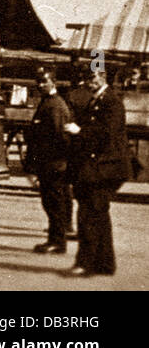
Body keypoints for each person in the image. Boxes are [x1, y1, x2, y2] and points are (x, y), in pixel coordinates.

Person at [64, 63, 132, 276]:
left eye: (92, 77)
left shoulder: (111, 102)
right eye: (87, 78)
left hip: (104, 168)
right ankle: (104, 264)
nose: (88, 82)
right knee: (98, 215)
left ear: (103, 77)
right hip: (98, 167)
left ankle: (87, 263)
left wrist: (79, 131)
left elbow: (106, 134)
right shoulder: (98, 100)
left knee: (89, 215)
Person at [24, 67, 73, 254]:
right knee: (50, 203)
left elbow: (59, 136)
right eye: (39, 81)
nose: (41, 85)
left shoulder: (55, 105)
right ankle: (54, 239)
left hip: (53, 164)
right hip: (48, 163)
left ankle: (58, 241)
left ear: (54, 82)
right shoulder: (48, 102)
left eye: (45, 81)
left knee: (54, 203)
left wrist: (54, 162)